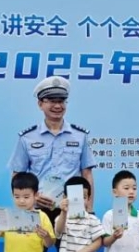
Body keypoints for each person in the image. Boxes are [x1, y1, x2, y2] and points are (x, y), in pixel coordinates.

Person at [8, 76, 95, 220]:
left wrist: (89, 210)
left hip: (73, 208)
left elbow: (87, 174)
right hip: (37, 209)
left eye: (61, 101)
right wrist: (32, 197)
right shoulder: (27, 137)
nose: (57, 106)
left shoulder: (80, 136)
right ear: (40, 104)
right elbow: (17, 175)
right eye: (52, 101)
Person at [55, 176, 104, 252]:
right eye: (74, 197)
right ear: (65, 198)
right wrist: (63, 212)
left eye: (84, 197)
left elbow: (98, 242)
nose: (79, 201)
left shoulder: (93, 219)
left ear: (89, 199)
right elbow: (58, 232)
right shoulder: (62, 218)